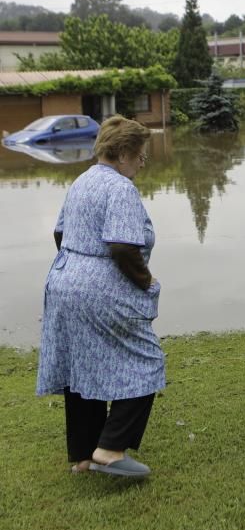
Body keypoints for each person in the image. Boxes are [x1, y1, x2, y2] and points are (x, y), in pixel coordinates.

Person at [37, 115, 165, 478]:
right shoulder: (120, 188)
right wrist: (146, 281)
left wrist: (79, 268)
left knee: (83, 367)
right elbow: (123, 246)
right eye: (141, 156)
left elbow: (60, 233)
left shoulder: (82, 180)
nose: (141, 163)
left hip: (64, 282)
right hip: (99, 289)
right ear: (123, 153)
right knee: (147, 360)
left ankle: (83, 457)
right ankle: (109, 450)